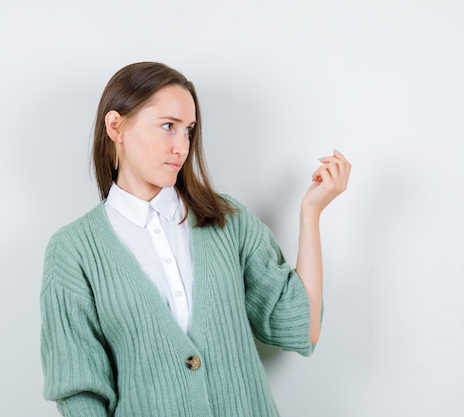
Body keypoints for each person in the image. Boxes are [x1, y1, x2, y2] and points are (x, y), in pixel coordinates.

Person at [40, 61, 351, 417]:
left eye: (188, 130)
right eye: (168, 127)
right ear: (116, 126)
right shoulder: (74, 250)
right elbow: (80, 392)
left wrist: (311, 214)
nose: (181, 146)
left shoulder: (226, 220)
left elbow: (301, 328)